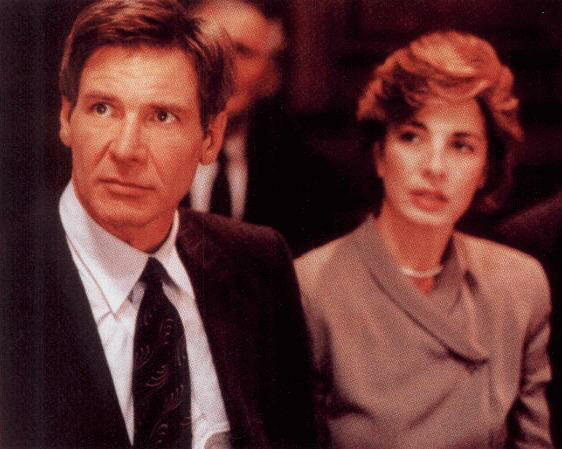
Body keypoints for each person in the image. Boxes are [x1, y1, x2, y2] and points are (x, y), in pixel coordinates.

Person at [0, 1, 318, 448]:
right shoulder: (13, 279)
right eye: (103, 109)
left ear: (211, 137)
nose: (126, 149)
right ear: (66, 117)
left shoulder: (258, 263)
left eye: (162, 116)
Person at [295, 31, 552, 448]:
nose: (435, 167)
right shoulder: (310, 289)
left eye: (461, 146)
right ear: (380, 155)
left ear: (485, 170)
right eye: (412, 137)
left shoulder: (519, 285)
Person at [185, 0, 364, 256]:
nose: (225, 66)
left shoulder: (311, 179)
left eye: (242, 51)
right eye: (211, 48)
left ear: (271, 76)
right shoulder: (140, 156)